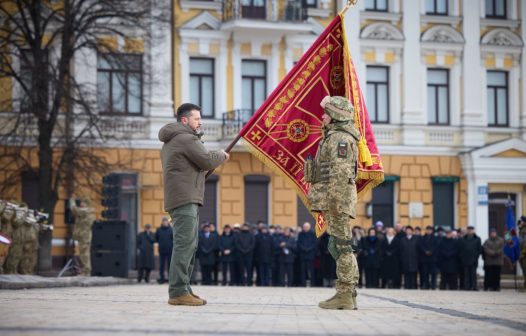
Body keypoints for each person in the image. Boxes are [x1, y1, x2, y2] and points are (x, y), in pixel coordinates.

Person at [159, 103, 229, 306]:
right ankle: (178, 291)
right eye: (196, 119)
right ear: (184, 120)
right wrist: (222, 155)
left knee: (190, 245)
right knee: (184, 245)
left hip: (184, 197)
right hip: (185, 198)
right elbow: (207, 160)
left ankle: (184, 288)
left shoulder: (174, 140)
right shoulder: (186, 138)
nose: (200, 122)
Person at [305, 96, 360, 310]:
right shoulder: (334, 136)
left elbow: (340, 172)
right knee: (338, 245)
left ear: (337, 115)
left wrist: (335, 202)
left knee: (341, 245)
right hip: (333, 198)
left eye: (326, 112)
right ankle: (347, 293)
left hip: (336, 199)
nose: (322, 116)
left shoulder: (340, 139)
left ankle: (345, 293)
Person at [69, 197, 95, 276]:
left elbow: (74, 210)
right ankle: (85, 271)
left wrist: (71, 201)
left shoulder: (86, 211)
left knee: (84, 255)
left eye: (82, 203)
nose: (80, 204)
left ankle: (86, 272)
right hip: (83, 236)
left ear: (86, 204)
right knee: (83, 254)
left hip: (85, 236)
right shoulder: (86, 212)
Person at [460, 226, 482, 291]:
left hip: (474, 259)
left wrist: (476, 256)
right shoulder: (463, 239)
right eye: (468, 230)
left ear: (473, 231)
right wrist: (463, 257)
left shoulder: (477, 239)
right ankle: (467, 287)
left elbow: (479, 249)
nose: (470, 231)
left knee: (473, 274)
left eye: (471, 230)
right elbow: (461, 249)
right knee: (466, 274)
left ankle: (474, 286)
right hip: (465, 259)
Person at [297, 222, 317, 286]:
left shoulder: (313, 234)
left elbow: (315, 243)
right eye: (304, 227)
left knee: (311, 270)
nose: (305, 228)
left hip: (310, 254)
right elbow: (299, 243)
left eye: (307, 227)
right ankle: (303, 283)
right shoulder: (300, 234)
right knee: (303, 270)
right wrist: (304, 249)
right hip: (303, 254)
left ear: (309, 227)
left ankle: (312, 283)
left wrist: (309, 249)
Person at [155, 217, 173, 284]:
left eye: (166, 221)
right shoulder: (158, 230)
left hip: (170, 250)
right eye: (164, 221)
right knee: (161, 265)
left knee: (170, 266)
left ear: (168, 222)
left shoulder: (171, 229)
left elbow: (173, 239)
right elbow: (156, 238)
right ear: (162, 222)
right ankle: (161, 278)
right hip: (161, 250)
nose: (165, 223)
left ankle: (170, 279)